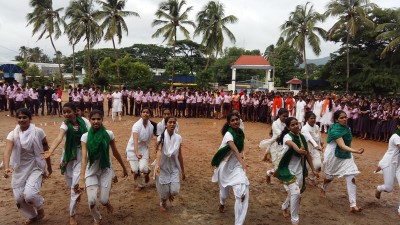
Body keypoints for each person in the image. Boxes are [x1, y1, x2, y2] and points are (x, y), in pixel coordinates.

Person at [42, 102, 91, 225]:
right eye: (64, 112)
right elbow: (59, 137)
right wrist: (51, 150)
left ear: (75, 111)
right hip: (68, 155)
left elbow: (91, 135)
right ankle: (76, 194)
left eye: (69, 111)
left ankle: (72, 214)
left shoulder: (85, 122)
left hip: (82, 154)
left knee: (75, 186)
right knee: (70, 183)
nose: (66, 114)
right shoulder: (64, 124)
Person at [76, 110, 128, 225]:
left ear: (102, 119)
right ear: (89, 120)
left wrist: (124, 167)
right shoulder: (85, 137)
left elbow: (115, 152)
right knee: (91, 201)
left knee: (103, 200)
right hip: (91, 171)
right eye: (93, 119)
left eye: (98, 119)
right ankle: (97, 218)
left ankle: (107, 203)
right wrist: (81, 178)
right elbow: (84, 158)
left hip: (105, 170)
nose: (96, 121)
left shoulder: (109, 134)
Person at [3, 108, 51, 224]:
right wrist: (6, 168)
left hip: (36, 166)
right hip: (19, 168)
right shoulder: (12, 134)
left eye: (24, 117)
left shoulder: (38, 132)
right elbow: (7, 151)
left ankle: (40, 208)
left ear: (30, 118)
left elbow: (46, 150)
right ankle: (32, 216)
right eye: (19, 117)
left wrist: (49, 166)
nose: (22, 119)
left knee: (29, 195)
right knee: (19, 198)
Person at [275, 117, 318, 225]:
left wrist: (313, 169)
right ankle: (295, 220)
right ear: (288, 127)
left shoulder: (302, 137)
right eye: (292, 125)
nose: (295, 126)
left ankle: (285, 206)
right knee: (296, 193)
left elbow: (307, 154)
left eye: (296, 124)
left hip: (299, 169)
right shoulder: (287, 136)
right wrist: (297, 149)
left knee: (295, 193)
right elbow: (291, 143)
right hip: (287, 169)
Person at [320, 110, 364, 213]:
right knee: (330, 177)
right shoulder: (335, 129)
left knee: (351, 176)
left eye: (345, 117)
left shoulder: (347, 128)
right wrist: (356, 151)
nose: (344, 119)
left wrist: (352, 151)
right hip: (333, 155)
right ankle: (323, 188)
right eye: (342, 118)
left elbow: (346, 145)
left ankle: (353, 205)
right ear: (336, 120)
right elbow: (342, 145)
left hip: (346, 155)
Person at [211, 113, 249, 225]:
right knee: (224, 194)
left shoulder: (241, 133)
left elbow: (241, 150)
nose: (236, 122)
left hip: (236, 166)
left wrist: (242, 161)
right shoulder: (228, 134)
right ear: (229, 123)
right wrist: (243, 162)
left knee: (242, 190)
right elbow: (235, 149)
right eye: (233, 120)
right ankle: (222, 202)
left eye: (237, 119)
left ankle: (238, 222)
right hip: (225, 166)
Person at [154, 116, 185, 211]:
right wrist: (158, 165)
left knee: (174, 191)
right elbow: (159, 152)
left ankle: (169, 194)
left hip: (174, 166)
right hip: (162, 166)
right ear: (165, 124)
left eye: (174, 122)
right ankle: (163, 202)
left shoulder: (179, 138)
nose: (172, 124)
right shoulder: (160, 137)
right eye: (170, 122)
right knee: (164, 193)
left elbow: (180, 155)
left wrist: (183, 170)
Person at [375, 119, 400, 215]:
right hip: (390, 163)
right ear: (398, 126)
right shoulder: (396, 136)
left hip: (399, 165)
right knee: (389, 188)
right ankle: (379, 188)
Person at [126, 108, 154, 191]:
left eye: (147, 112)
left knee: (142, 168)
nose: (145, 114)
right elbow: (135, 140)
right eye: (143, 112)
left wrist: (147, 153)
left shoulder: (151, 126)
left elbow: (149, 140)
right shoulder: (136, 125)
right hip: (132, 149)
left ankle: (147, 171)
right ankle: (140, 184)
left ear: (150, 115)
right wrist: (136, 152)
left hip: (144, 148)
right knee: (135, 170)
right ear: (141, 114)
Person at [260, 108, 289, 184]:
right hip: (276, 147)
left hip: (286, 146)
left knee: (285, 166)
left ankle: (270, 173)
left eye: (287, 116)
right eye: (284, 116)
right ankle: (269, 173)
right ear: (279, 115)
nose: (286, 118)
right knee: (278, 168)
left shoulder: (288, 123)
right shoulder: (275, 123)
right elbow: (280, 134)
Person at [301, 112, 324, 185]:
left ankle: (311, 178)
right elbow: (309, 138)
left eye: (314, 118)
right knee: (305, 168)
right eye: (311, 118)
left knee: (318, 165)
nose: (313, 120)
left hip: (316, 149)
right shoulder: (305, 128)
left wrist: (321, 142)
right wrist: (316, 145)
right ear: (307, 119)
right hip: (306, 150)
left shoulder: (316, 126)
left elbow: (319, 135)